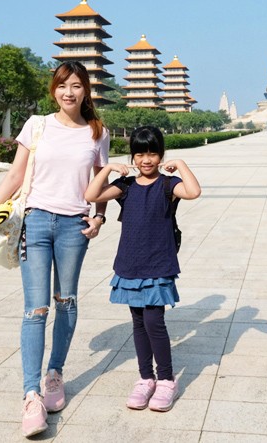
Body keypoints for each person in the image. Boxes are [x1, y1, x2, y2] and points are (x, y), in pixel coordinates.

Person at [0, 61, 110, 438]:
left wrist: (99, 217)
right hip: (34, 222)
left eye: (77, 86)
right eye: (62, 85)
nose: (69, 92)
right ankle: (31, 395)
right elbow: (16, 175)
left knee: (66, 300)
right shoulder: (37, 125)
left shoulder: (98, 132)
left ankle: (55, 374)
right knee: (35, 309)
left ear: (87, 91)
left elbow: (100, 181)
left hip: (74, 227)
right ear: (54, 89)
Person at [84, 126, 201, 413]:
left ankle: (165, 380)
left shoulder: (167, 185)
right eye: (140, 154)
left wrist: (182, 165)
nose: (146, 160)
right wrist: (108, 167)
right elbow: (90, 193)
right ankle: (145, 377)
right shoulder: (125, 186)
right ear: (133, 157)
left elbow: (194, 192)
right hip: (131, 262)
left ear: (161, 155)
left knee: (154, 322)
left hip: (158, 263)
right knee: (138, 322)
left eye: (152, 153)